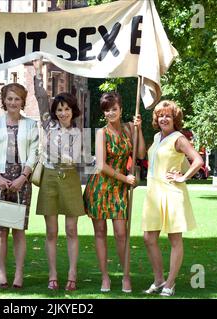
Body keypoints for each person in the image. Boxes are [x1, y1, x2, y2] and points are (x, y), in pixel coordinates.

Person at [83, 92, 145, 293]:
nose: (110, 113)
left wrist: (139, 129)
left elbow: (141, 154)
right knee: (100, 233)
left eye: (114, 109)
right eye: (107, 110)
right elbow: (101, 165)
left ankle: (126, 276)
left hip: (118, 190)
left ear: (121, 109)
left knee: (121, 233)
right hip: (100, 187)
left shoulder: (128, 128)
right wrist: (125, 178)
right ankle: (105, 278)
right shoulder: (102, 133)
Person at [142, 100, 203, 297]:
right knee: (149, 238)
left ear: (175, 118)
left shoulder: (179, 138)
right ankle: (159, 279)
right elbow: (146, 156)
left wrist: (183, 177)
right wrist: (135, 130)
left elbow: (198, 160)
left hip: (171, 192)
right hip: (153, 194)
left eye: (168, 115)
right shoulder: (157, 136)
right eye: (160, 115)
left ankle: (170, 283)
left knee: (174, 238)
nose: (164, 118)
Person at [33, 60, 85, 291]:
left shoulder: (78, 132)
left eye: (66, 108)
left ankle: (72, 275)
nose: (63, 112)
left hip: (71, 179)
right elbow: (41, 98)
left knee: (71, 230)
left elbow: (78, 160)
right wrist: (37, 72)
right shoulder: (47, 124)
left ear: (73, 110)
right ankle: (53, 275)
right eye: (59, 109)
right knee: (51, 231)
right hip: (50, 178)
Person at [0, 83, 39, 289]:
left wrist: (23, 177)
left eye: (17, 99)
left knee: (18, 229)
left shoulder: (31, 125)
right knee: (1, 230)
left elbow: (34, 152)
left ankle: (18, 273)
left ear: (23, 101)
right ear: (4, 101)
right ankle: (1, 272)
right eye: (9, 98)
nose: (13, 102)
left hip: (21, 178)